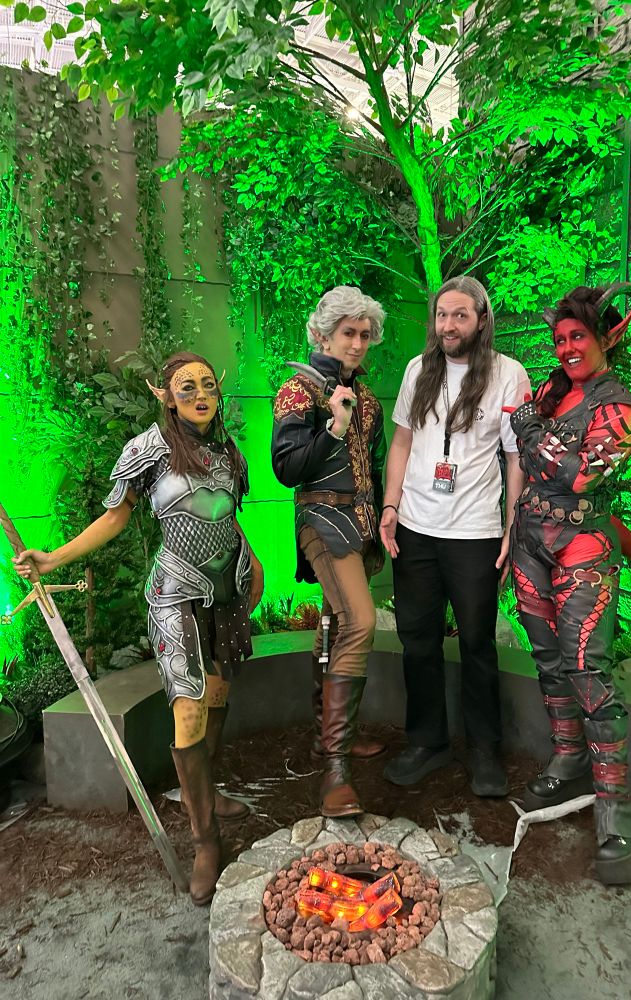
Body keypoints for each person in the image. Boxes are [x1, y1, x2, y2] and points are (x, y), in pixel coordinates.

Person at [14, 352, 263, 906]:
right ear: (165, 395)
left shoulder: (227, 452)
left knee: (218, 697)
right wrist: (52, 559)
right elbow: (115, 516)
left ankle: (206, 792)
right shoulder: (149, 450)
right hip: (175, 591)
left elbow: (229, 516)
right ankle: (205, 841)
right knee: (189, 707)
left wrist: (253, 562)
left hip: (226, 592)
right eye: (186, 387)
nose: (200, 395)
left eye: (207, 385)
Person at [508, 283, 631, 885]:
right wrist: (545, 444)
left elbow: (580, 476)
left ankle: (615, 804)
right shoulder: (552, 391)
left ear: (604, 339)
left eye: (577, 337)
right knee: (546, 658)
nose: (566, 347)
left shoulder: (620, 407)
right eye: (560, 338)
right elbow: (545, 455)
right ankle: (566, 755)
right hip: (530, 540)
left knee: (588, 666)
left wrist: (532, 435)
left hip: (583, 546)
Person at [379, 275, 530, 796]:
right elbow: (401, 442)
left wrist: (513, 525)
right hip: (416, 531)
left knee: (477, 644)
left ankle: (485, 752)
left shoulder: (509, 374)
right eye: (442, 315)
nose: (448, 324)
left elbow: (515, 457)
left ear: (481, 319)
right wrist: (390, 505)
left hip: (474, 534)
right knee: (416, 640)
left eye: (460, 314)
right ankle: (428, 742)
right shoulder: (418, 370)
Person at [271, 286, 386, 818]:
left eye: (365, 335)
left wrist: (384, 521)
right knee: (362, 621)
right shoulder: (299, 390)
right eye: (348, 333)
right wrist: (333, 427)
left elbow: (376, 467)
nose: (358, 344)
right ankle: (335, 771)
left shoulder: (367, 398)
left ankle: (328, 736)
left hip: (360, 522)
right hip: (321, 519)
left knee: (337, 626)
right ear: (322, 333)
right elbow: (288, 470)